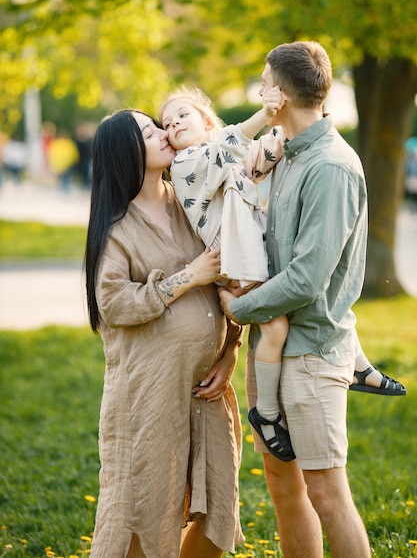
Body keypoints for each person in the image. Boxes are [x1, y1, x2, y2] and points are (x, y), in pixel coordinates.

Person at [217, 41, 399, 557]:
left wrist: (238, 310)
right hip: (271, 345)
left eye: (262, 81)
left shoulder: (331, 166)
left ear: (278, 93)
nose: (257, 90)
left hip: (312, 351)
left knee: (326, 492)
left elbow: (306, 279)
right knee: (283, 487)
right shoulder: (287, 153)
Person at [84, 109, 244, 558]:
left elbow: (232, 278)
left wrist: (230, 351)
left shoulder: (191, 201)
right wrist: (187, 277)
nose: (164, 132)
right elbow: (114, 303)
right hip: (149, 398)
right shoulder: (117, 226)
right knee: (143, 513)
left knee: (218, 510)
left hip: (205, 392)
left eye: (159, 125)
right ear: (125, 153)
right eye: (148, 131)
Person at [160, 86, 295, 462]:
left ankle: (355, 363)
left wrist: (299, 121)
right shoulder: (187, 164)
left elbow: (261, 154)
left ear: (205, 119)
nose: (173, 125)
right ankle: (266, 414)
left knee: (296, 309)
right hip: (235, 263)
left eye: (181, 116)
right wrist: (265, 113)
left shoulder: (222, 156)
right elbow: (231, 144)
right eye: (167, 125)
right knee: (277, 327)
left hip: (252, 256)